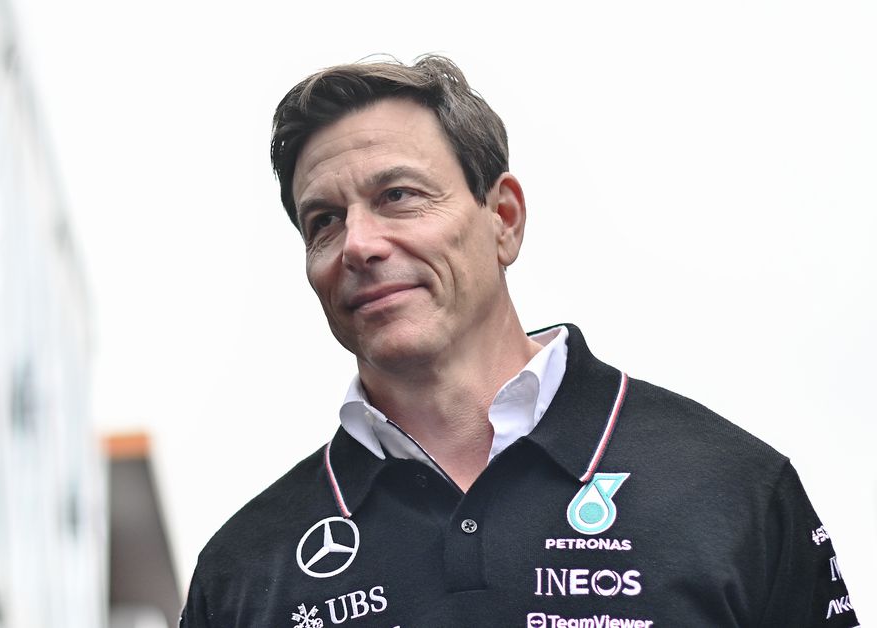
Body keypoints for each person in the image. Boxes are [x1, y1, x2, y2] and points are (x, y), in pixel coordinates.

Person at [180, 55, 857, 627]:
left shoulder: (732, 489)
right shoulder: (244, 571)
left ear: (503, 218)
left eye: (399, 196)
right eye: (324, 221)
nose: (358, 243)